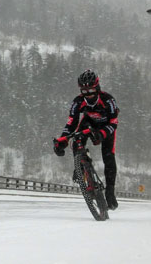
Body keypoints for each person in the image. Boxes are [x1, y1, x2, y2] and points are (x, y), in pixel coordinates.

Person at [53, 69, 120, 210]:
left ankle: (110, 191)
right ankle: (81, 167)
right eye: (84, 91)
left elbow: (114, 123)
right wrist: (62, 141)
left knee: (108, 156)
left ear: (97, 87)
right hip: (89, 124)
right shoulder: (78, 102)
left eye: (91, 90)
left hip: (106, 127)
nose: (88, 95)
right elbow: (71, 123)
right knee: (77, 137)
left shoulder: (108, 100)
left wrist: (102, 134)